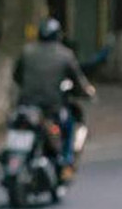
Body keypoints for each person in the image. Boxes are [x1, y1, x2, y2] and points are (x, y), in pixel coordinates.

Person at [14, 16, 95, 174]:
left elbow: (16, 76)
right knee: (69, 125)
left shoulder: (26, 51)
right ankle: (66, 162)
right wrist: (87, 92)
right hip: (52, 107)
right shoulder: (65, 55)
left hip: (25, 104)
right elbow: (78, 81)